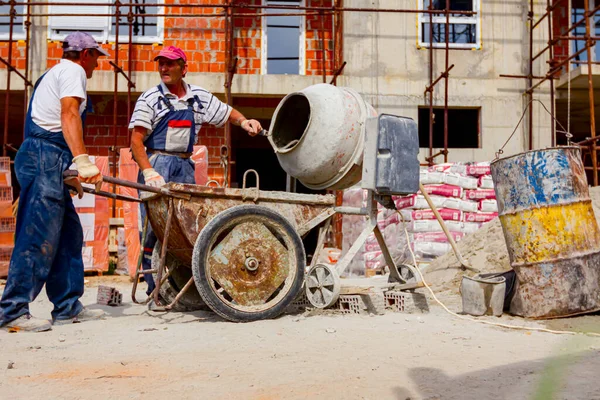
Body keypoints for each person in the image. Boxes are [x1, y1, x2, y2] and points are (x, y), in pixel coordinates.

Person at [129, 46, 262, 297]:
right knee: (152, 230)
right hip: (158, 164)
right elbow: (136, 141)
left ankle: (183, 285)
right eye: (161, 64)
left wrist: (244, 121)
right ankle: (152, 287)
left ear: (184, 68)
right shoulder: (150, 99)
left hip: (184, 167)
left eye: (170, 64)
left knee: (186, 228)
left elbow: (226, 112)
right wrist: (148, 172)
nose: (164, 69)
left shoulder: (198, 97)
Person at [0, 32, 109, 332]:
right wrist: (83, 160)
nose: (96, 65)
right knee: (38, 236)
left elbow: (54, 121)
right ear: (84, 54)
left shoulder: (54, 72)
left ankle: (66, 306)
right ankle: (12, 309)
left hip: (50, 157)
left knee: (68, 235)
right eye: (96, 58)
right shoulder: (73, 71)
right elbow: (69, 114)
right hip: (44, 156)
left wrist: (70, 170)